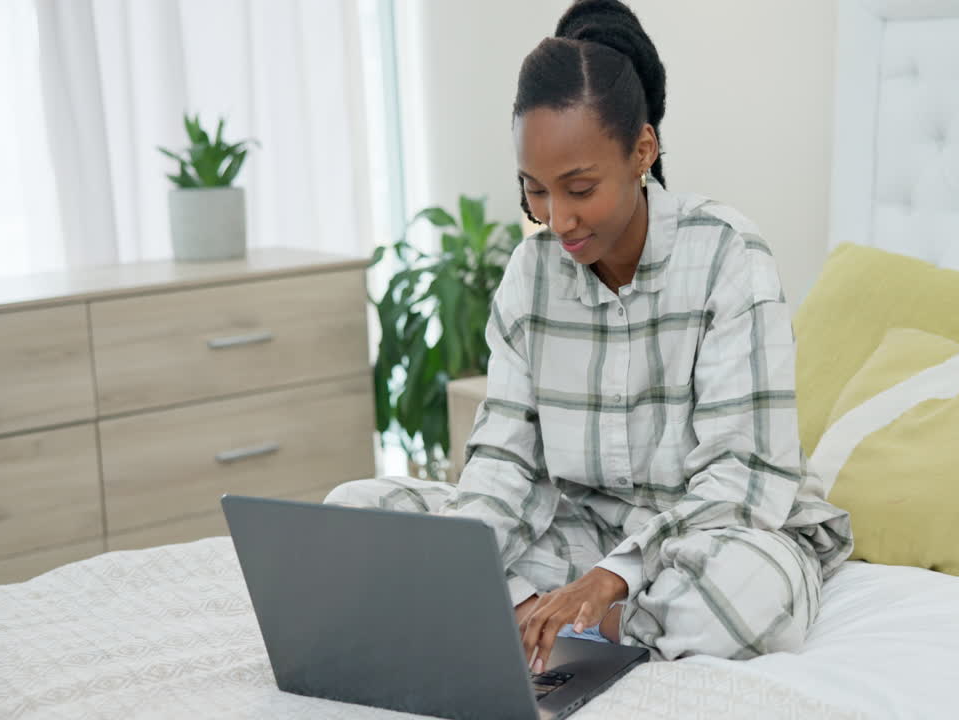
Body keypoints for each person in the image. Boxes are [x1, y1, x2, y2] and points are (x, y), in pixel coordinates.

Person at [325, 0, 851, 671]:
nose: (557, 219)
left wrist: (613, 579)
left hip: (712, 536)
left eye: (578, 188)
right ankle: (558, 627)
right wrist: (461, 558)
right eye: (536, 191)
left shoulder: (727, 255)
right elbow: (506, 460)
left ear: (642, 150)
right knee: (358, 510)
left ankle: (570, 625)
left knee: (750, 592)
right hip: (575, 533)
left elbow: (741, 477)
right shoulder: (530, 274)